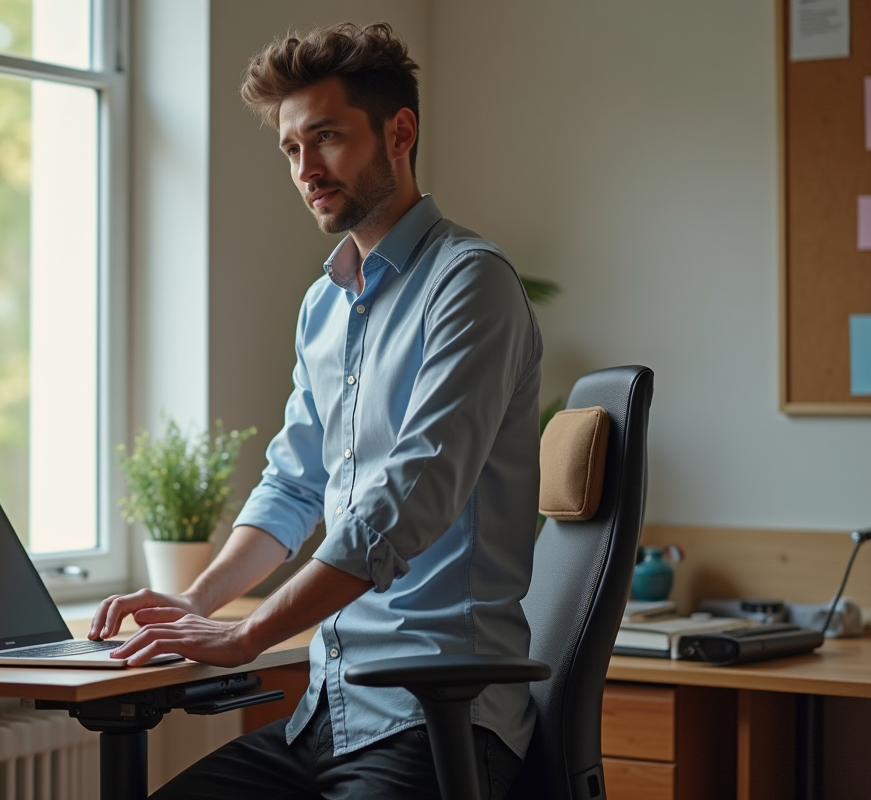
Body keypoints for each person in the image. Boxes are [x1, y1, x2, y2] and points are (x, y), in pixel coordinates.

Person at [89, 21, 543, 800]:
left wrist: (248, 634)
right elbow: (295, 484)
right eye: (292, 148)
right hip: (328, 715)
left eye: (326, 138)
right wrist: (195, 602)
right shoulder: (324, 305)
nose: (306, 170)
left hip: (440, 721)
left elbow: (406, 503)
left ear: (399, 133)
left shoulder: (471, 284)